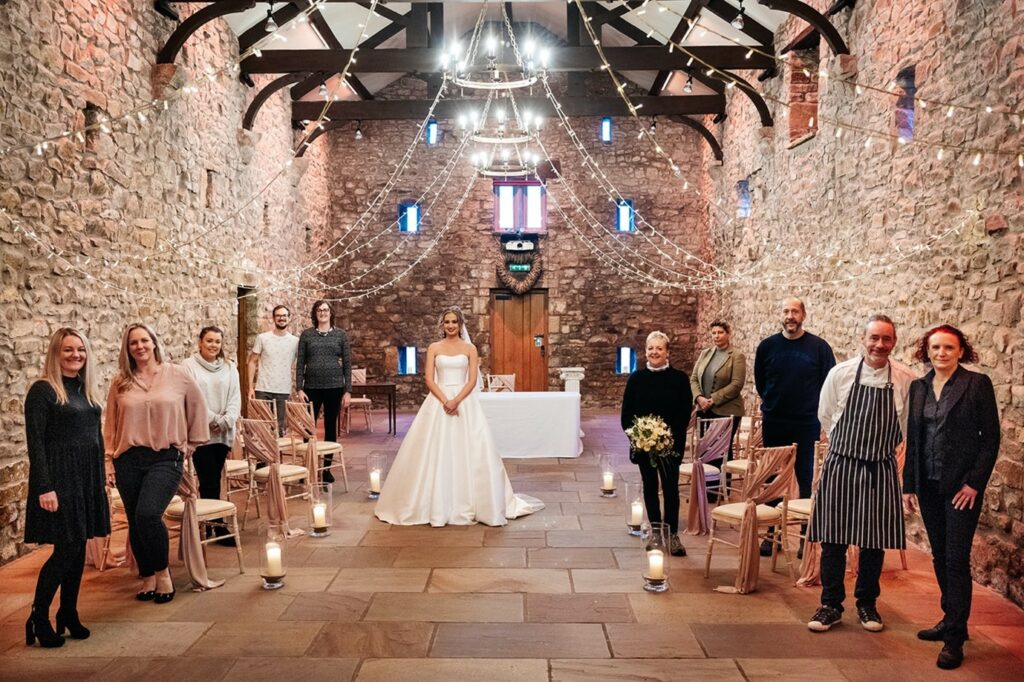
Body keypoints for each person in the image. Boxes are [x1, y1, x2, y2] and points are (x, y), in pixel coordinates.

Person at [375, 306, 544, 526]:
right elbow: (429, 379)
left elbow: (472, 380)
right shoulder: (434, 347)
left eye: (454, 322)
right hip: (438, 400)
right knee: (433, 451)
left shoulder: (469, 348)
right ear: (442, 325)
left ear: (460, 324)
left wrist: (456, 400)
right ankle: (431, 504)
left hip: (464, 402)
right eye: (447, 322)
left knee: (472, 450)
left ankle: (475, 502)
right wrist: (445, 400)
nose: (451, 325)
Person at [806, 315, 917, 634]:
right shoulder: (839, 374)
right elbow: (825, 415)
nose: (879, 345)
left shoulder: (905, 379)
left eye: (886, 339)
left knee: (874, 542)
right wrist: (849, 447)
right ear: (863, 339)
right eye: (874, 338)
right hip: (841, 463)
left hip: (880, 468)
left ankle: (867, 605)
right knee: (833, 540)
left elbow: (906, 426)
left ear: (894, 342)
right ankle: (830, 605)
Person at [903, 325, 1000, 670]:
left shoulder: (976, 385)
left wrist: (974, 483)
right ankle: (950, 618)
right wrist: (909, 485)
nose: (941, 353)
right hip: (928, 485)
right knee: (939, 556)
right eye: (935, 347)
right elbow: (913, 439)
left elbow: (990, 439)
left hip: (961, 490)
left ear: (961, 351)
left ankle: (955, 638)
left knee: (956, 560)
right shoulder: (918, 387)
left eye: (948, 347)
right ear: (926, 351)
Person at [104, 323, 208, 604]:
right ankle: (147, 575)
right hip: (128, 459)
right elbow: (111, 424)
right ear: (127, 349)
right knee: (136, 520)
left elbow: (198, 405)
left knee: (148, 514)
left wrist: (194, 442)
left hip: (165, 457)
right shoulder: (121, 382)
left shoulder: (176, 374)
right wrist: (109, 460)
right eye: (132, 343)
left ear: (153, 342)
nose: (139, 346)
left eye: (143, 340)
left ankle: (163, 573)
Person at [23, 328, 110, 648]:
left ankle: (68, 614)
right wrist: (44, 487)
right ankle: (39, 616)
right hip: (60, 481)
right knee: (67, 549)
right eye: (68, 350)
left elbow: (95, 439)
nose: (76, 355)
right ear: (55, 354)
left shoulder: (85, 391)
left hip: (86, 480)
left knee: (77, 549)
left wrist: (101, 477)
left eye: (81, 350)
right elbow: (36, 444)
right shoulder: (43, 391)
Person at [754, 297, 835, 555]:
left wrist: (822, 420)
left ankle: (805, 536)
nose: (790, 316)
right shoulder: (767, 347)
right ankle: (771, 534)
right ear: (781, 314)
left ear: (804, 315)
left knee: (805, 478)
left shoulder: (819, 347)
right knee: (773, 479)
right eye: (786, 311)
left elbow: (828, 385)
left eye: (795, 311)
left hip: (807, 422)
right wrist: (772, 403)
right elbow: (760, 381)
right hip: (775, 420)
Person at [621, 331, 693, 557]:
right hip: (644, 446)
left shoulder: (679, 379)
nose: (654, 352)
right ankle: (656, 531)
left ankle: (672, 534)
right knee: (650, 487)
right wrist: (640, 437)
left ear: (667, 352)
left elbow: (684, 414)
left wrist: (666, 439)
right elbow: (627, 415)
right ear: (645, 352)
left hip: (670, 446)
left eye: (659, 348)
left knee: (671, 489)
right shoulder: (636, 379)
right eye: (650, 348)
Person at [181, 326, 241, 544]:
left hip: (223, 433)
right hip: (201, 432)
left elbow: (235, 397)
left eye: (217, 341)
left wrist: (227, 420)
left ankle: (209, 523)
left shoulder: (229, 367)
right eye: (209, 341)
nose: (214, 345)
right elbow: (191, 399)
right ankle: (217, 525)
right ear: (200, 342)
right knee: (208, 480)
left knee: (214, 478)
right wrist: (214, 419)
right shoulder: (188, 366)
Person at [295, 299, 350, 483]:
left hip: (334, 386)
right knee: (307, 428)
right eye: (319, 310)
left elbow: (348, 365)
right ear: (315, 313)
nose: (323, 313)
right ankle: (308, 468)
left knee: (330, 428)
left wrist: (347, 390)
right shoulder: (307, 335)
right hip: (311, 388)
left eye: (326, 310)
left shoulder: (341, 335)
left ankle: (326, 469)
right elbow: (300, 363)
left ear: (331, 313)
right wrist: (299, 387)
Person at [690, 320, 746, 488]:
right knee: (706, 449)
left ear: (728, 334)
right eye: (713, 333)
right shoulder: (705, 353)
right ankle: (706, 487)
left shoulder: (736, 356)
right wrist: (699, 397)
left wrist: (713, 399)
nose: (716, 336)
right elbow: (693, 378)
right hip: (704, 409)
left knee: (721, 449)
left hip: (726, 410)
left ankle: (721, 489)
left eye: (720, 332)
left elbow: (737, 384)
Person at [247, 305, 298, 435]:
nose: (281, 318)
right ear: (274, 318)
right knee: (263, 428)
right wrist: (251, 388)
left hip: (283, 389)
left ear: (289, 318)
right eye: (278, 316)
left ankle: (277, 455)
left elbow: (301, 364)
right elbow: (252, 361)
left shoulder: (295, 341)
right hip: (263, 388)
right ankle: (264, 455)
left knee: (280, 428)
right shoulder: (263, 338)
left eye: (284, 315)